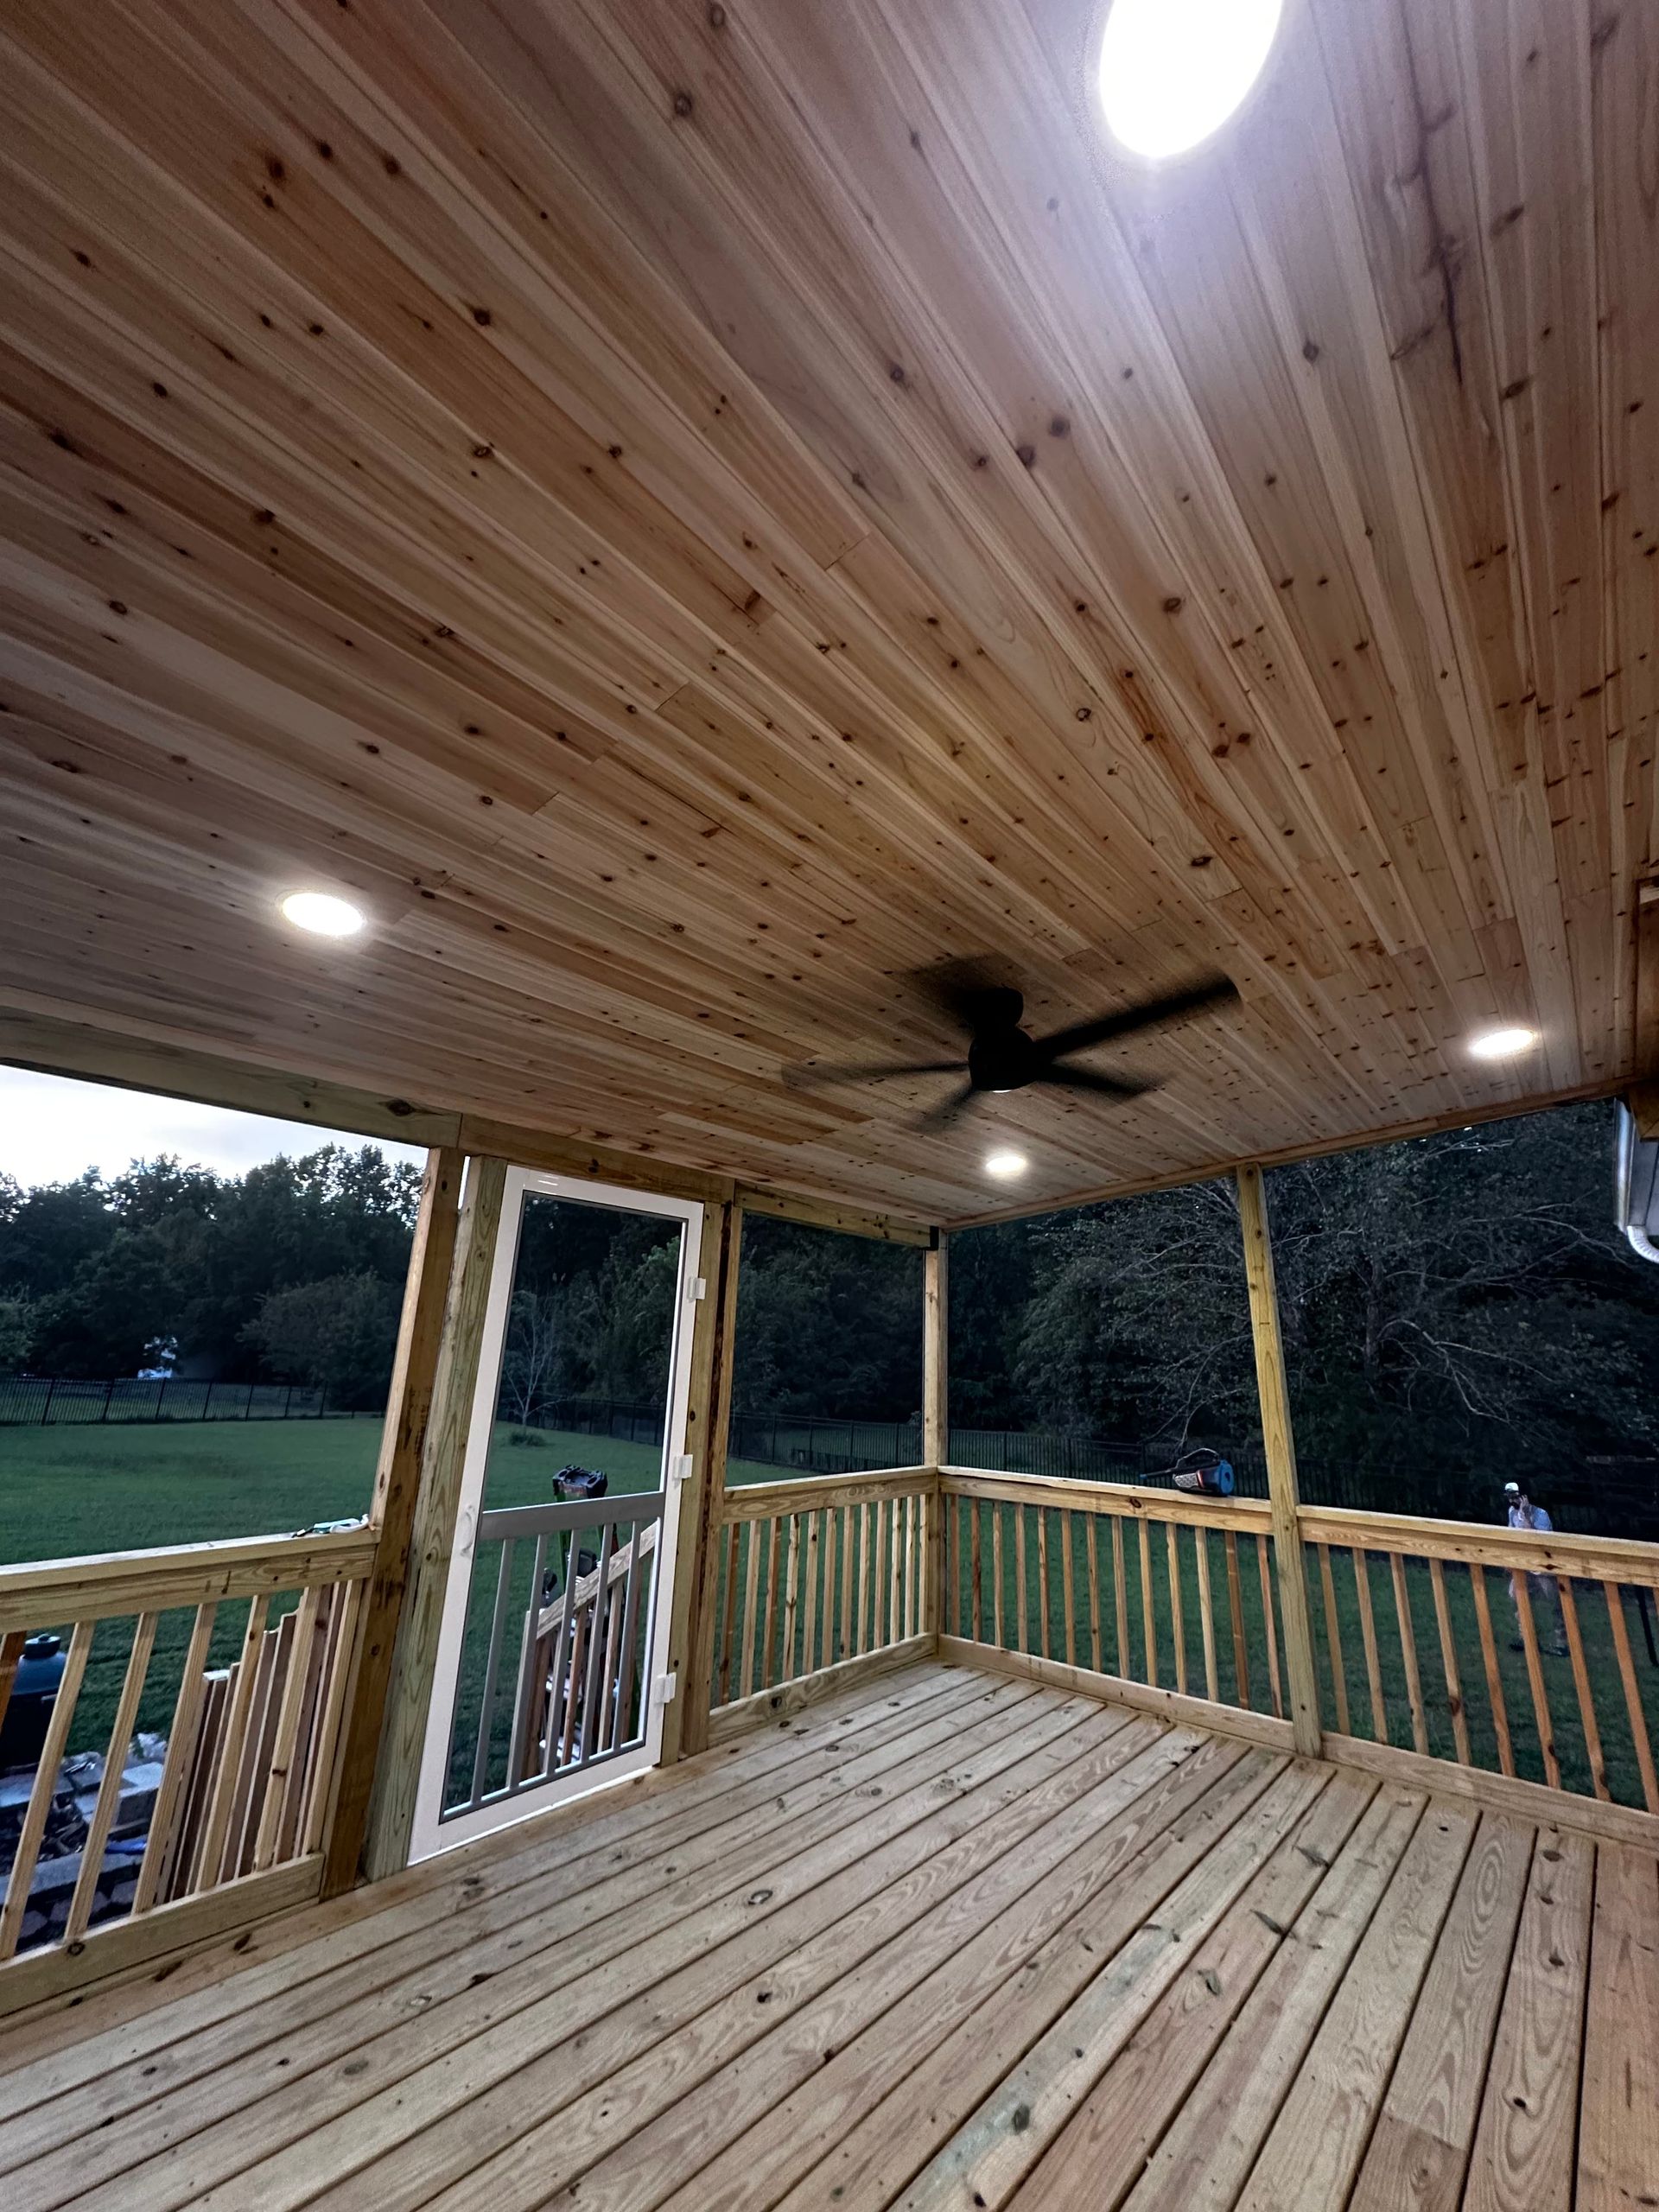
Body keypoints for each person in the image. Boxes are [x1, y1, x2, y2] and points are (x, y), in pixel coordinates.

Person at [1503, 1480, 1567, 1656]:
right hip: (1523, 1565)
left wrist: (1525, 1516)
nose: (1512, 1501)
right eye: (1510, 1497)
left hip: (1542, 1566)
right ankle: (1526, 1637)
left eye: (1515, 1497)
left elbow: (1539, 1541)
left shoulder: (1541, 1515)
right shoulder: (1511, 1513)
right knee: (1516, 1596)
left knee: (1554, 1602)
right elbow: (1511, 1536)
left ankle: (1562, 1643)